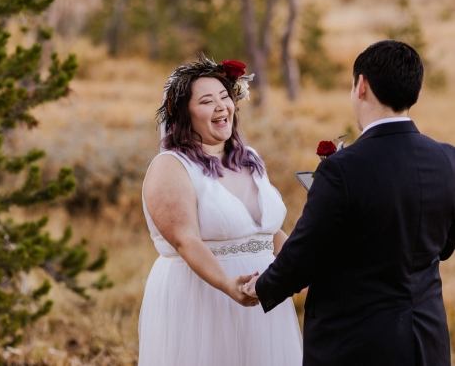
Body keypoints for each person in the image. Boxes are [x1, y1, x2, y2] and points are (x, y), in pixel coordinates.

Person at [244, 40, 455, 366]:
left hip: (356, 343)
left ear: (362, 86)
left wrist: (262, 287)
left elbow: (305, 253)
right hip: (428, 341)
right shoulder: (448, 159)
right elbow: (444, 246)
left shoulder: (342, 169)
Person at [138, 54, 303, 366]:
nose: (220, 106)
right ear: (183, 113)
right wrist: (228, 285)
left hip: (263, 299)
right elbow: (186, 240)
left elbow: (267, 231)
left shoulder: (250, 158)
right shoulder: (170, 167)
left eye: (225, 97)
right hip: (202, 300)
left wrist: (299, 267)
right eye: (206, 101)